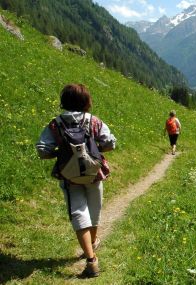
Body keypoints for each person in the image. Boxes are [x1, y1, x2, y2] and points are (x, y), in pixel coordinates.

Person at [36, 84, 116, 278]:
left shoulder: (56, 124)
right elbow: (110, 143)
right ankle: (93, 242)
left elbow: (42, 149)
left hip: (69, 176)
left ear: (64, 101)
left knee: (78, 211)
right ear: (86, 101)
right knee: (94, 210)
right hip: (94, 173)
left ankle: (91, 259)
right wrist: (93, 150)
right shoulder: (94, 121)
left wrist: (62, 152)